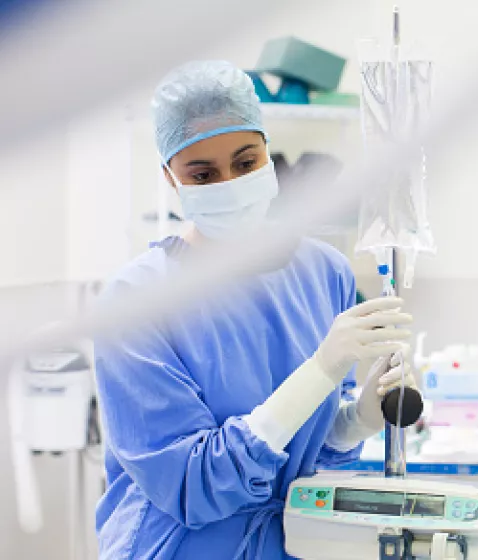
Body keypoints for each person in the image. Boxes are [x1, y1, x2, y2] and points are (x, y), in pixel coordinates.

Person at [94, 60, 413, 559]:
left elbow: (310, 445)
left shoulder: (323, 271)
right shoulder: (136, 302)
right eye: (202, 174)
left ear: (267, 152)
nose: (229, 183)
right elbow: (194, 487)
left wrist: (359, 418)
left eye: (246, 163)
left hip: (290, 543)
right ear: (170, 179)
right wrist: (320, 370)